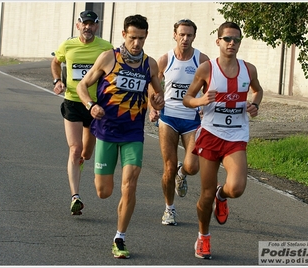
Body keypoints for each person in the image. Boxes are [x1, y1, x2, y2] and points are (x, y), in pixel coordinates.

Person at [76, 14, 165, 259]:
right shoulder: (108, 58)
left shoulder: (150, 64)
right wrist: (91, 105)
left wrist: (157, 101)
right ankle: (95, 173)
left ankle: (120, 237)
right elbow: (82, 86)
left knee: (130, 185)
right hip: (106, 129)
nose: (137, 43)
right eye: (133, 37)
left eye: (142, 38)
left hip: (133, 132)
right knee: (103, 192)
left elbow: (158, 94)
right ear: (124, 35)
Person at [183, 21, 263, 259]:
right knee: (205, 194)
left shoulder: (249, 70)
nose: (232, 43)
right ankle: (203, 237)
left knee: (236, 188)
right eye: (227, 39)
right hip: (210, 134)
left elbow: (257, 90)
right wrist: (200, 101)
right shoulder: (207, 69)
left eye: (236, 39)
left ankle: (223, 195)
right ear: (218, 42)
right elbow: (188, 98)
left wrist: (254, 104)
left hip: (236, 135)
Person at [51, 10, 113, 216]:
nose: (87, 27)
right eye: (83, 24)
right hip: (73, 102)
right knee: (75, 149)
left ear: (96, 26)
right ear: (78, 26)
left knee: (86, 154)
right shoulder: (68, 45)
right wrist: (57, 80)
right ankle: (75, 197)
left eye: (91, 24)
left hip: (95, 106)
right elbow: (56, 61)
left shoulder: (106, 48)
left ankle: (80, 164)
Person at [148, 19, 209, 226]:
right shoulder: (166, 59)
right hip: (169, 117)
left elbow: (211, 87)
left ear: (194, 37)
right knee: (169, 166)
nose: (185, 39)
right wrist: (152, 107)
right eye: (181, 34)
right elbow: (153, 84)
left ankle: (182, 174)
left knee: (193, 167)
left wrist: (204, 105)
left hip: (192, 118)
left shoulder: (202, 60)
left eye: (189, 35)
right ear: (174, 35)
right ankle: (169, 209)